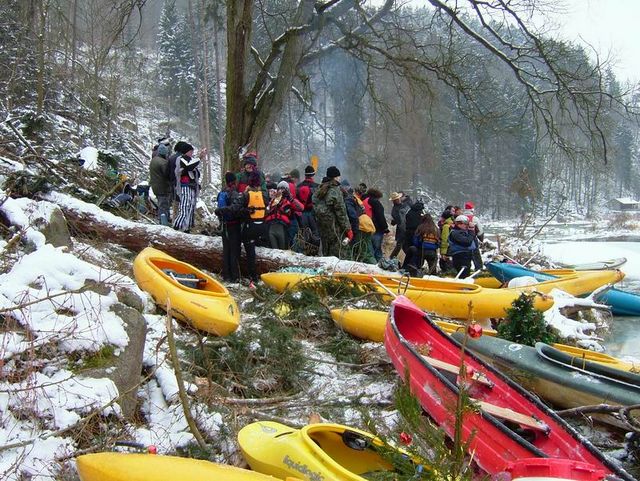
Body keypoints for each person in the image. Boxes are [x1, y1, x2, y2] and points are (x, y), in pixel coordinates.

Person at [312, 166, 352, 258]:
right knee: (340, 254)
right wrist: (348, 229)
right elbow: (341, 213)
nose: (339, 178)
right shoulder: (335, 190)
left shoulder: (319, 190)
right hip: (335, 228)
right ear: (335, 177)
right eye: (338, 176)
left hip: (322, 227)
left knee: (326, 253)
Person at [239, 171, 269, 282]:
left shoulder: (246, 195)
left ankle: (253, 277)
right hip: (262, 228)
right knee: (262, 250)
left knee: (250, 254)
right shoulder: (264, 195)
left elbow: (239, 209)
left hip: (250, 228)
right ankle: (264, 273)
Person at [215, 172, 244, 282]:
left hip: (224, 226)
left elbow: (219, 210)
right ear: (234, 181)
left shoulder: (221, 193)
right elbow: (236, 210)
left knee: (226, 251)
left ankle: (226, 275)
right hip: (234, 226)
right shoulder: (234, 194)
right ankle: (235, 277)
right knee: (234, 251)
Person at [173, 143, 206, 233]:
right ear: (186, 151)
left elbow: (194, 170)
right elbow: (188, 166)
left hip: (192, 186)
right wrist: (199, 158)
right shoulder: (181, 159)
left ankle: (187, 227)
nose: (192, 153)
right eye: (191, 151)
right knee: (185, 205)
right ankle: (178, 225)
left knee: (191, 206)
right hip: (185, 186)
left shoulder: (190, 160)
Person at [342, 181, 375, 264]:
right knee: (366, 249)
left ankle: (375, 267)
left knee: (363, 252)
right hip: (366, 223)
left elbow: (353, 216)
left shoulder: (348, 199)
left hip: (361, 226)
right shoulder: (354, 198)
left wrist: (354, 230)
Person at [265, 181, 303, 249]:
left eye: (283, 189)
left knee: (284, 249)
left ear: (287, 190)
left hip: (285, 227)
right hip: (272, 226)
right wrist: (275, 199)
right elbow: (267, 211)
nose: (281, 191)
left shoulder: (290, 200)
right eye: (279, 189)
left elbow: (301, 208)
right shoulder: (274, 200)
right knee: (274, 250)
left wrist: (291, 199)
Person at [297, 165, 320, 253]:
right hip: (313, 213)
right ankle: (314, 252)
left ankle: (303, 252)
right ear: (313, 175)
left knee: (303, 233)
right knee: (315, 233)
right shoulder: (317, 187)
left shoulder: (298, 186)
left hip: (301, 214)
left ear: (305, 175)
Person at [149, 143, 171, 225]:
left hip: (155, 186)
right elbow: (167, 175)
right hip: (163, 187)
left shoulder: (154, 160)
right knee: (164, 205)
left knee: (161, 204)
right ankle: (163, 222)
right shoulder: (163, 162)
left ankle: (163, 220)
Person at [366, 188, 388, 261]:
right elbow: (380, 216)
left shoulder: (365, 201)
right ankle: (378, 263)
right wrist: (385, 228)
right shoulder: (376, 203)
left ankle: (370, 262)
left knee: (370, 248)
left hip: (367, 227)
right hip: (377, 228)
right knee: (377, 248)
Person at [389, 191, 412, 259]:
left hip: (408, 228)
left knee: (404, 246)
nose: (398, 200)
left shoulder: (405, 204)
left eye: (398, 198)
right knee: (400, 245)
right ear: (394, 201)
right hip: (402, 230)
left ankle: (410, 259)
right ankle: (391, 258)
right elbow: (399, 221)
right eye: (396, 199)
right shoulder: (394, 210)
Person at [463, 201, 484, 270]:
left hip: (461, 239)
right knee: (476, 257)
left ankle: (465, 270)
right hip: (472, 239)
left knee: (465, 257)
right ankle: (479, 270)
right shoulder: (474, 218)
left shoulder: (460, 217)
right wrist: (481, 239)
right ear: (472, 210)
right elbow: (480, 231)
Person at [438, 206, 455, 273]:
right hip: (453, 247)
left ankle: (447, 274)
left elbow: (445, 240)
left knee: (445, 264)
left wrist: (443, 252)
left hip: (447, 249)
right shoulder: (452, 224)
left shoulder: (446, 226)